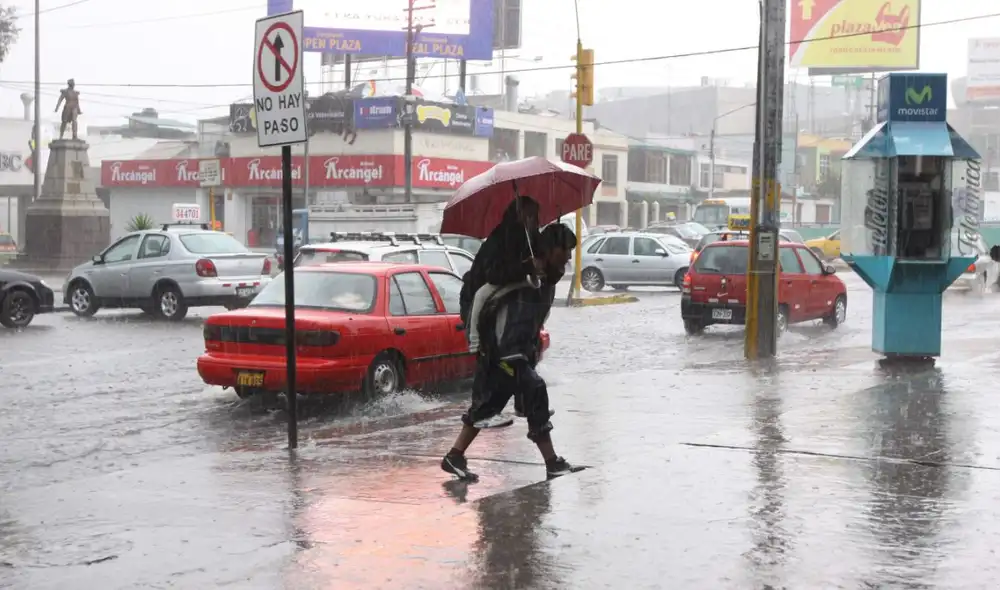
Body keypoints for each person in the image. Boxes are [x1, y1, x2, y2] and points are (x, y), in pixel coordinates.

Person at [442, 224, 582, 481]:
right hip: (502, 353)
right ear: (551, 249)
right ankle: (552, 462)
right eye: (566, 250)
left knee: (489, 406)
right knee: (535, 391)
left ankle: (454, 456)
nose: (569, 257)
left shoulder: (548, 278)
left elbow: (537, 317)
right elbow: (484, 298)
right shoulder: (521, 272)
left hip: (520, 352)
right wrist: (477, 343)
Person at [460, 196, 541, 337]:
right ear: (519, 214)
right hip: (479, 299)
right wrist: (525, 267)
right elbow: (494, 275)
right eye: (530, 215)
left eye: (534, 216)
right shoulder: (500, 239)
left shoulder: (530, 237)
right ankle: (475, 339)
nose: (534, 220)